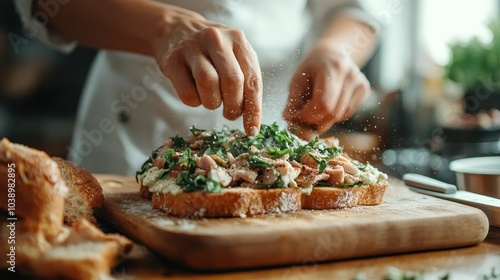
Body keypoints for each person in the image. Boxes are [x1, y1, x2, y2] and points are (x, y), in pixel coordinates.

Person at [15, 0, 379, 175]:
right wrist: (164, 28)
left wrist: (337, 48)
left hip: (275, 135)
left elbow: (358, 8)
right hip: (130, 133)